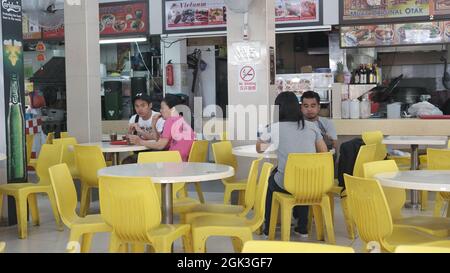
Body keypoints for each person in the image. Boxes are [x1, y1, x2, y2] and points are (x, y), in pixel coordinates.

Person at [257, 91, 328, 237]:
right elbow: (324, 152)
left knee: (271, 181)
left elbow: (259, 149)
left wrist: (273, 140)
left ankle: (268, 227)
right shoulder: (312, 126)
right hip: (313, 183)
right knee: (303, 178)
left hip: (287, 183)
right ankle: (302, 228)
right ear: (298, 108)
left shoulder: (274, 127)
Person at [127, 94, 195, 162]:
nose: (160, 111)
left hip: (173, 162)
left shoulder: (171, 120)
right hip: (184, 163)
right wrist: (153, 125)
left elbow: (160, 145)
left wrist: (140, 141)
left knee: (129, 161)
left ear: (172, 109)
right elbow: (159, 140)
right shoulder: (182, 120)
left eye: (162, 108)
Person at [121, 93, 165, 164]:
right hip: (140, 152)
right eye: (137, 106)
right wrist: (129, 133)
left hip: (155, 152)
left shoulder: (158, 118)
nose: (140, 109)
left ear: (150, 105)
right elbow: (128, 140)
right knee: (126, 162)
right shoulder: (134, 118)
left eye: (143, 105)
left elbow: (158, 139)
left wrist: (140, 131)